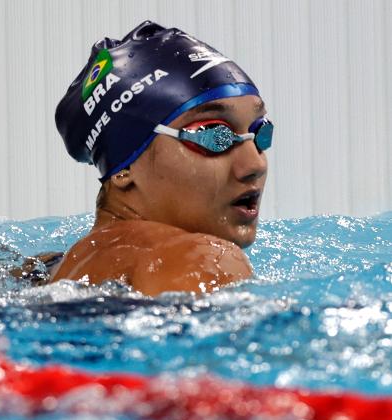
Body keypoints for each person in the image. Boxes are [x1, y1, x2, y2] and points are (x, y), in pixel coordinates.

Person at [50, 21, 273, 296]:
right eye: (214, 135)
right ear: (124, 167)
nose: (255, 165)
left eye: (261, 132)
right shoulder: (199, 258)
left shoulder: (50, 268)